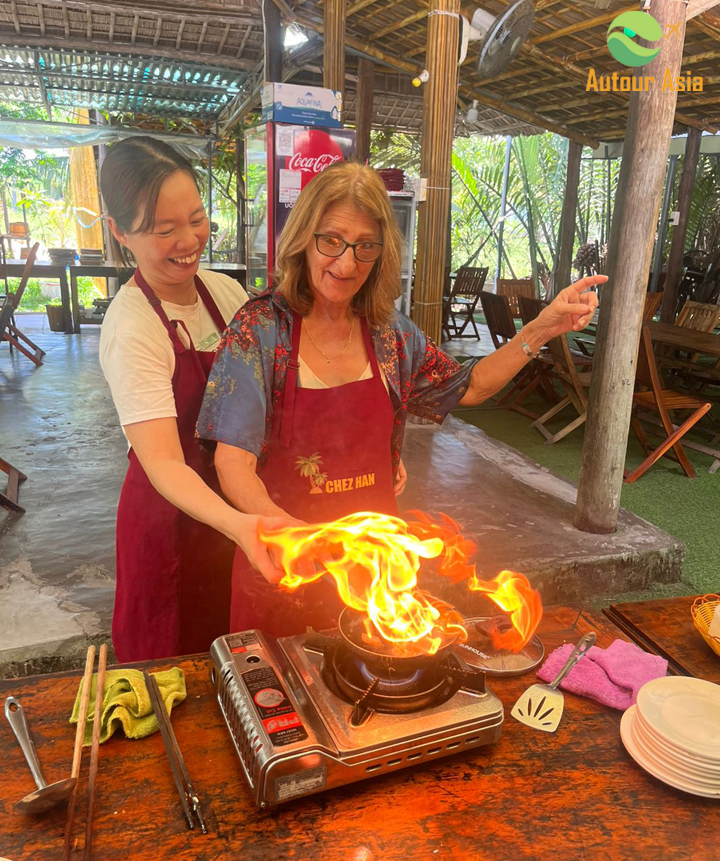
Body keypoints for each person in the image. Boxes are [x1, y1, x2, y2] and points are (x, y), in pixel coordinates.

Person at [197, 162, 606, 637]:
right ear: (303, 238)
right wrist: (293, 536)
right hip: (284, 566)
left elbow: (470, 386)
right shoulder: (261, 330)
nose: (346, 264)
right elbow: (233, 463)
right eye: (331, 241)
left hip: (374, 577)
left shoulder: (389, 333)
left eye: (365, 246)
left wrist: (541, 328)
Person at [98, 136, 288, 662]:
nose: (189, 240)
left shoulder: (225, 293)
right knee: (176, 664)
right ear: (120, 232)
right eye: (164, 230)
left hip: (236, 509)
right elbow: (163, 462)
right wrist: (240, 523)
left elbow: (272, 389)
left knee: (239, 656)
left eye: (197, 219)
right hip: (173, 523)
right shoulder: (132, 327)